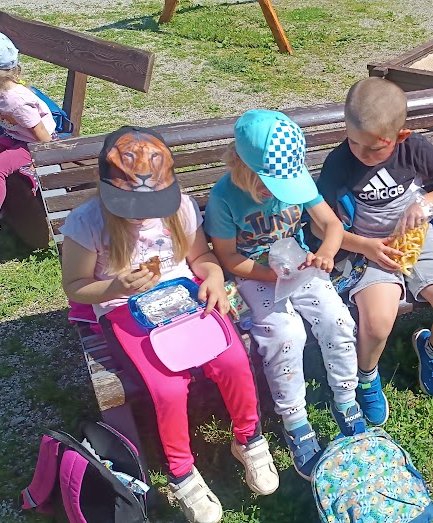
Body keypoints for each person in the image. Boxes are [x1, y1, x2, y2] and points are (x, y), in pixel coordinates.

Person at [60, 127, 278, 523]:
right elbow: (75, 286)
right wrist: (115, 286)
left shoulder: (180, 208)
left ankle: (249, 438)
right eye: (133, 205)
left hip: (184, 294)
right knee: (167, 387)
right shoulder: (87, 222)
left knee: (232, 360)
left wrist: (214, 278)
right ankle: (182, 473)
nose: (144, 213)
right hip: (124, 306)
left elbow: (202, 258)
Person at [204, 110, 364, 480]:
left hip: (300, 263)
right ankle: (295, 421)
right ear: (240, 164)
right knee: (285, 334)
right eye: (268, 184)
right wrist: (270, 274)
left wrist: (326, 253)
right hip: (255, 275)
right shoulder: (224, 197)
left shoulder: (296, 178)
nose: (277, 192)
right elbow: (229, 257)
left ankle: (346, 398)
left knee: (338, 320)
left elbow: (330, 224)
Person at [316, 77, 433, 426]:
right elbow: (320, 225)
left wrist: (426, 204)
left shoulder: (414, 148)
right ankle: (366, 376)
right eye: (354, 141)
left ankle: (431, 351)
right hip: (367, 248)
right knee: (377, 323)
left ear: (400, 136)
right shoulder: (339, 162)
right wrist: (364, 246)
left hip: (417, 240)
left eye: (374, 149)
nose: (362, 154)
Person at [0, 27, 56, 245]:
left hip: (35, 144)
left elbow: (41, 134)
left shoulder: (17, 101)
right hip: (17, 135)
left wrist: (44, 159)